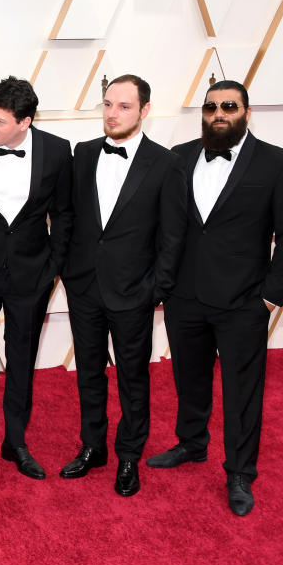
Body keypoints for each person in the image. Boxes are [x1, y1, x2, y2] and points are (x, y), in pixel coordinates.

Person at [147, 80, 283, 516]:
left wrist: (271, 297)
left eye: (229, 106)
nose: (219, 113)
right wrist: (163, 284)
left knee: (242, 390)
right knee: (189, 377)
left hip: (244, 301)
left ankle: (240, 471)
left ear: (247, 113)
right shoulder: (177, 157)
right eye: (211, 106)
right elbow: (165, 225)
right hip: (185, 296)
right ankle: (191, 443)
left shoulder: (278, 162)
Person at [60, 74, 186, 497]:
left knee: (133, 377)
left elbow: (172, 236)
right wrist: (69, 271)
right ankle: (93, 447)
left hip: (134, 291)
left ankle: (129, 454)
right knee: (88, 373)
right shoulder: (83, 153)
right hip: (85, 288)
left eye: (124, 106)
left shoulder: (166, 163)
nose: (112, 114)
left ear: (144, 111)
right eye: (108, 104)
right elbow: (73, 218)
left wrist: (156, 289)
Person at [0, 76, 73, 483]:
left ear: (26, 121)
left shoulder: (57, 151)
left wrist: (53, 267)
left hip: (30, 274)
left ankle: (15, 442)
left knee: (21, 361)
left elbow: (65, 213)